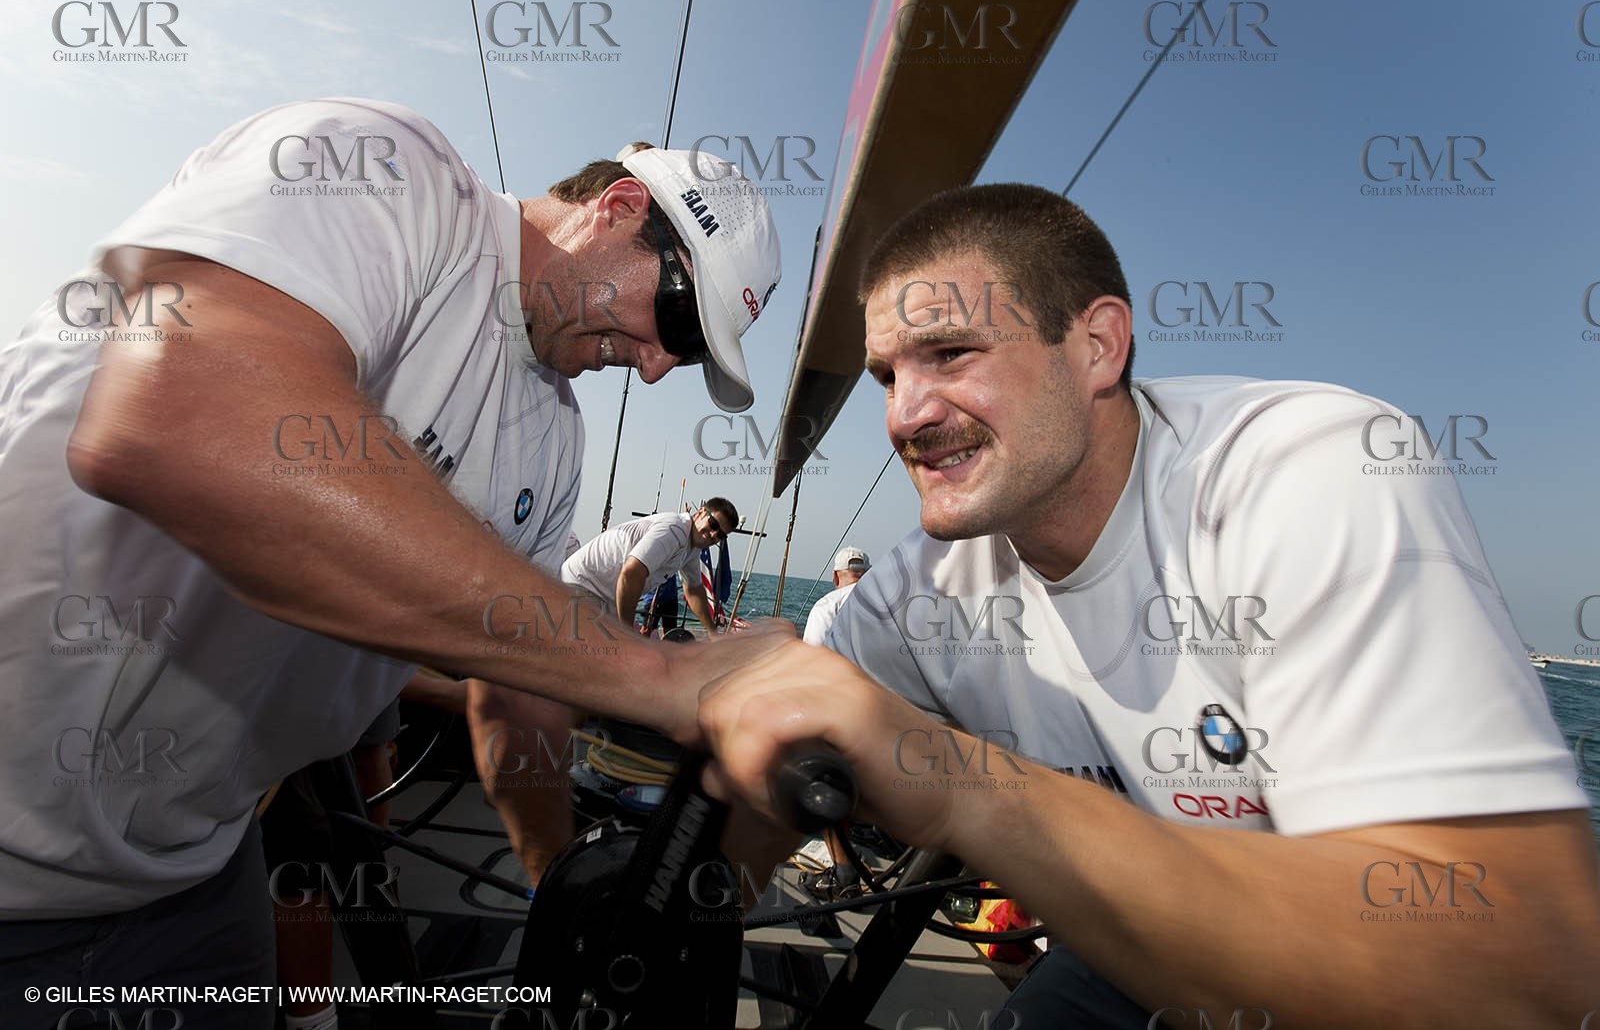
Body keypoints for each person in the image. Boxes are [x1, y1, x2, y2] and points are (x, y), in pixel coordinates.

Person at [697, 184, 1600, 1028]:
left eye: (951, 353)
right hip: (1137, 954)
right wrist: (684, 912)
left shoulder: (1313, 474)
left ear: (1097, 346)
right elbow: (782, 743)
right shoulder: (923, 588)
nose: (904, 414)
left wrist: (955, 782)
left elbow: (1525, 961)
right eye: (887, 375)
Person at [0, 97, 788, 1030]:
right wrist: (657, 673)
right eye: (677, 318)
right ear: (615, 207)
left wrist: (565, 899)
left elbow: (516, 686)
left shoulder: (556, 442)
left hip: (199, 868)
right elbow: (175, 418)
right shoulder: (389, 172)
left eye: (689, 355)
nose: (658, 368)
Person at [561, 500, 737, 634]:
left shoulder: (692, 549)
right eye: (713, 524)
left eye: (720, 535)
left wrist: (713, 634)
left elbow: (694, 591)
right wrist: (628, 633)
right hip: (582, 586)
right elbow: (631, 574)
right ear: (700, 513)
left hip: (605, 599)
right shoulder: (674, 530)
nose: (713, 534)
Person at [802, 545, 871, 646]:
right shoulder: (888, 604)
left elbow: (811, 652)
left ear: (835, 576)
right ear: (869, 574)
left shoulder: (827, 605)